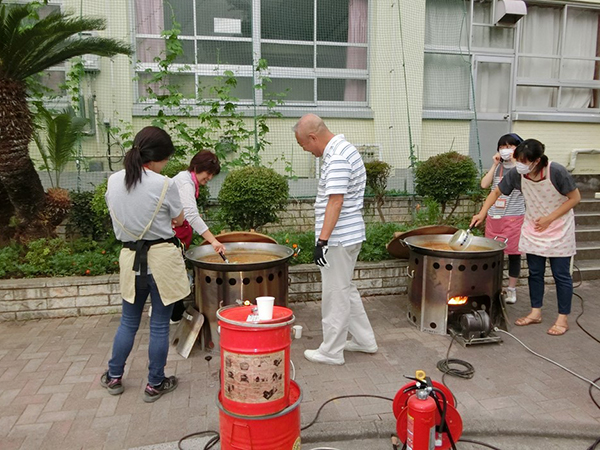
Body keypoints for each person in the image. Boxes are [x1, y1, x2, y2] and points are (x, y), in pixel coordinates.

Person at [101, 126, 190, 402]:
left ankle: (114, 376)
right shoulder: (164, 184)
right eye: (166, 160)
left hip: (130, 260)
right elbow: (178, 220)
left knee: (128, 322)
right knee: (160, 326)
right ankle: (154, 383)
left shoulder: (114, 180)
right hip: (161, 260)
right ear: (158, 158)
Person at [471, 139, 580, 336]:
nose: (519, 164)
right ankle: (535, 312)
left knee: (561, 275)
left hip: (559, 228)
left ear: (536, 160)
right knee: (535, 273)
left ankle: (562, 319)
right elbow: (496, 192)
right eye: (518, 159)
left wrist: (549, 218)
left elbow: (575, 198)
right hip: (534, 227)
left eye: (523, 160)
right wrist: (482, 213)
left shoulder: (556, 171)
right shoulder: (517, 174)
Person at [293, 114, 377, 365]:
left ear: (312, 137)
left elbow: (335, 200)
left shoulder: (338, 156)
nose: (306, 150)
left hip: (339, 239)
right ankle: (365, 341)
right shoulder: (342, 150)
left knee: (335, 294)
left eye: (304, 145)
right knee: (345, 289)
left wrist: (322, 241)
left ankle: (331, 351)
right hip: (347, 235)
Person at [170, 150, 226, 322]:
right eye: (208, 173)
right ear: (197, 167)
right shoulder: (185, 183)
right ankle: (173, 315)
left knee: (176, 273)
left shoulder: (187, 181)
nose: (209, 178)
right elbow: (191, 215)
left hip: (177, 236)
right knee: (175, 275)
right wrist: (214, 241)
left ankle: (171, 312)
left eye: (212, 175)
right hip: (171, 237)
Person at [479, 133, 525, 304]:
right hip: (494, 216)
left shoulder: (522, 168)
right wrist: (494, 164)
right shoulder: (498, 167)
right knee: (493, 254)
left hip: (514, 216)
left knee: (514, 254)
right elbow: (484, 185)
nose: (506, 150)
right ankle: (493, 286)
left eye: (510, 146)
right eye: (503, 147)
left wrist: (515, 161)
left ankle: (511, 289)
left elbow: (524, 184)